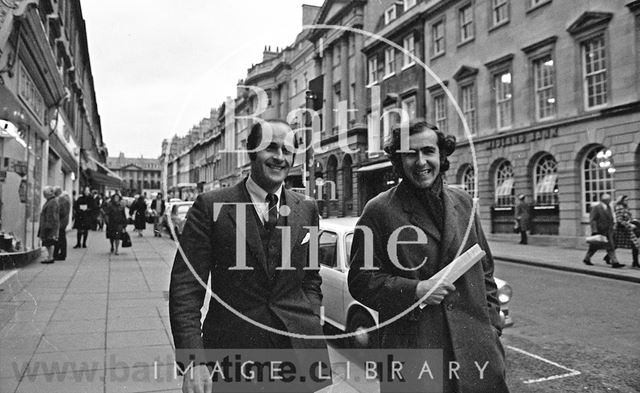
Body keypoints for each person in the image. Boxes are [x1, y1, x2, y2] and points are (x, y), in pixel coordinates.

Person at [348, 121, 509, 392]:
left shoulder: (464, 202)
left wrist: (491, 329)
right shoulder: (378, 210)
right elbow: (361, 281)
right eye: (411, 153)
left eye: (428, 151)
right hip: (415, 352)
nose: (421, 161)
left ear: (441, 155)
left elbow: (485, 272)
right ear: (399, 160)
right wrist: (416, 290)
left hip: (475, 353)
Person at [169, 120, 329, 393]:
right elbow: (186, 288)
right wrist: (194, 360)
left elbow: (310, 278)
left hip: (297, 355)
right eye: (270, 148)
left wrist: (310, 318)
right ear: (251, 150)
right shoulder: (211, 206)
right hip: (233, 357)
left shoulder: (307, 209)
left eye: (287, 150)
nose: (279, 157)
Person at [583, 193, 624, 268]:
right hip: (600, 230)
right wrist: (594, 230)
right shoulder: (596, 207)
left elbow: (610, 218)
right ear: (604, 200)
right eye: (609, 199)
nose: (610, 201)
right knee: (594, 246)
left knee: (610, 246)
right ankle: (587, 258)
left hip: (608, 230)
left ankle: (615, 262)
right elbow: (593, 220)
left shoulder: (608, 207)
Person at [613, 195, 639, 269]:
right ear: (621, 200)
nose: (627, 202)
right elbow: (619, 220)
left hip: (627, 230)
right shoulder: (619, 207)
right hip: (621, 230)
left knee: (635, 244)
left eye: (627, 200)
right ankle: (635, 263)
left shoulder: (626, 207)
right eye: (625, 200)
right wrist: (629, 225)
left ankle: (635, 262)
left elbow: (628, 217)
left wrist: (634, 221)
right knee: (615, 244)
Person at [38, 186, 59, 264]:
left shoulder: (51, 202)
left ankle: (50, 257)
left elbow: (51, 215)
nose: (43, 195)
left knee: (48, 242)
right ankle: (50, 257)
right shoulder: (51, 201)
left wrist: (48, 226)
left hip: (48, 226)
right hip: (49, 225)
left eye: (44, 193)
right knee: (49, 242)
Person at [53, 186, 71, 261]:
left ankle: (61, 254)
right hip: (64, 221)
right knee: (61, 237)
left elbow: (61, 211)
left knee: (60, 238)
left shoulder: (61, 199)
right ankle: (59, 254)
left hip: (61, 222)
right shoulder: (65, 198)